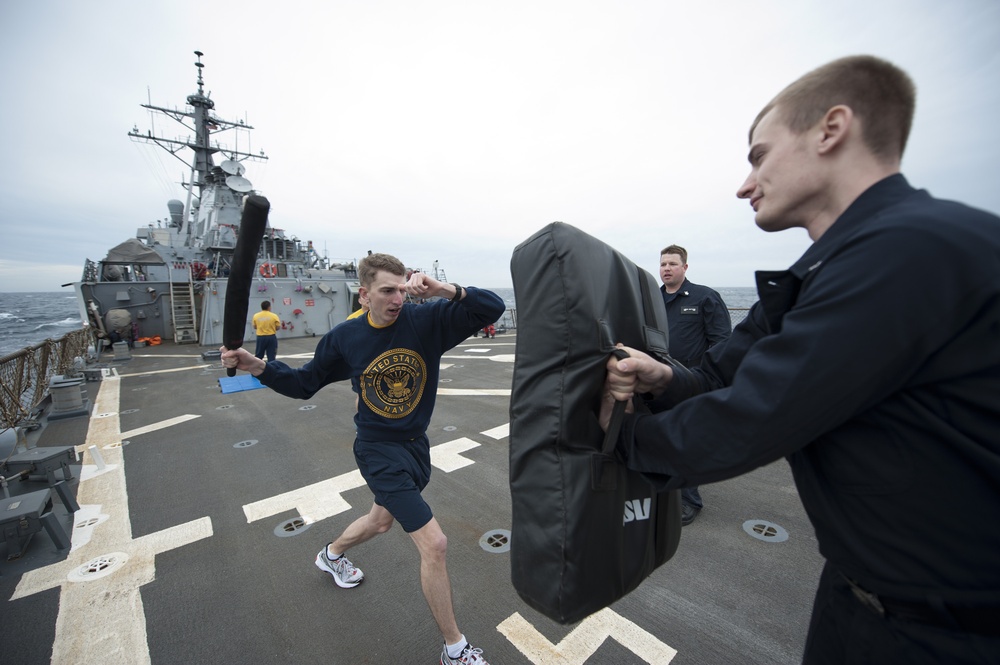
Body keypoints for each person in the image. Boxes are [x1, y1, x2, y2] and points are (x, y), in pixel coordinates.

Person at [599, 55, 1000, 664]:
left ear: (830, 130)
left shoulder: (912, 250)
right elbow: (718, 379)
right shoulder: (821, 273)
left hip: (950, 632)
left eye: (758, 155)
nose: (744, 183)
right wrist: (662, 376)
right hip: (858, 595)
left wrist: (615, 438)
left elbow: (753, 417)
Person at [222, 253, 502, 665]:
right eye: (387, 291)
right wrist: (258, 366)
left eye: (402, 290)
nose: (397, 299)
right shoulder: (345, 337)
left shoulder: (426, 322)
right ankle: (455, 649)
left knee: (380, 521)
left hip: (415, 445)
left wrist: (442, 289)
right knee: (435, 544)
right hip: (376, 449)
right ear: (364, 293)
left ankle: (330, 555)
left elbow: (489, 308)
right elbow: (304, 384)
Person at [658, 244, 731, 525]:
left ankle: (689, 500)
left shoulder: (704, 297)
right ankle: (662, 490)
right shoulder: (651, 298)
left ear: (685, 268)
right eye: (663, 264)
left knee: (686, 441)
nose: (667, 268)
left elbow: (723, 341)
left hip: (690, 382)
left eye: (673, 264)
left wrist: (711, 378)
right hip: (656, 382)